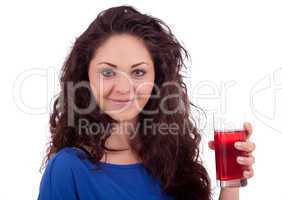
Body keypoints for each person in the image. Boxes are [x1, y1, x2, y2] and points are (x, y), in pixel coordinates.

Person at [37, 5, 255, 200]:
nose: (123, 88)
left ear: (156, 79)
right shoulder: (68, 169)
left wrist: (231, 182)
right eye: (108, 72)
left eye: (138, 71)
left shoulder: (172, 157)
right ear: (86, 76)